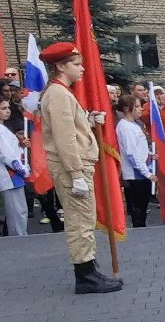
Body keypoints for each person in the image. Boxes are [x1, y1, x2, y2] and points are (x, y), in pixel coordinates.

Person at [38, 42, 122, 294]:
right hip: (72, 167)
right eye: (76, 64)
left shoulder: (62, 92)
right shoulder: (59, 94)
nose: (82, 68)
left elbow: (72, 126)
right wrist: (75, 174)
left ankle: (90, 268)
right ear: (61, 66)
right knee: (80, 221)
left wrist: (89, 120)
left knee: (84, 218)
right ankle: (85, 275)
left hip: (76, 164)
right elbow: (65, 138)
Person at [0, 97, 30, 237]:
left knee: (20, 210)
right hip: (10, 174)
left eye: (8, 107)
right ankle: (18, 238)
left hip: (14, 173)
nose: (8, 111)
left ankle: (20, 235)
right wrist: (21, 168)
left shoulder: (1, 128)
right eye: (3, 108)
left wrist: (20, 145)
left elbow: (10, 150)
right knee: (17, 212)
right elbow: (5, 154)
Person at [116, 95, 154, 229]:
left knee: (143, 207)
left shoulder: (135, 125)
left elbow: (139, 148)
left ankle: (141, 229)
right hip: (134, 175)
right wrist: (147, 173)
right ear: (127, 108)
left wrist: (150, 155)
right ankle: (139, 233)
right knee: (137, 209)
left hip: (141, 172)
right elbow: (131, 154)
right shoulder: (125, 127)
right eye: (137, 106)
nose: (141, 109)